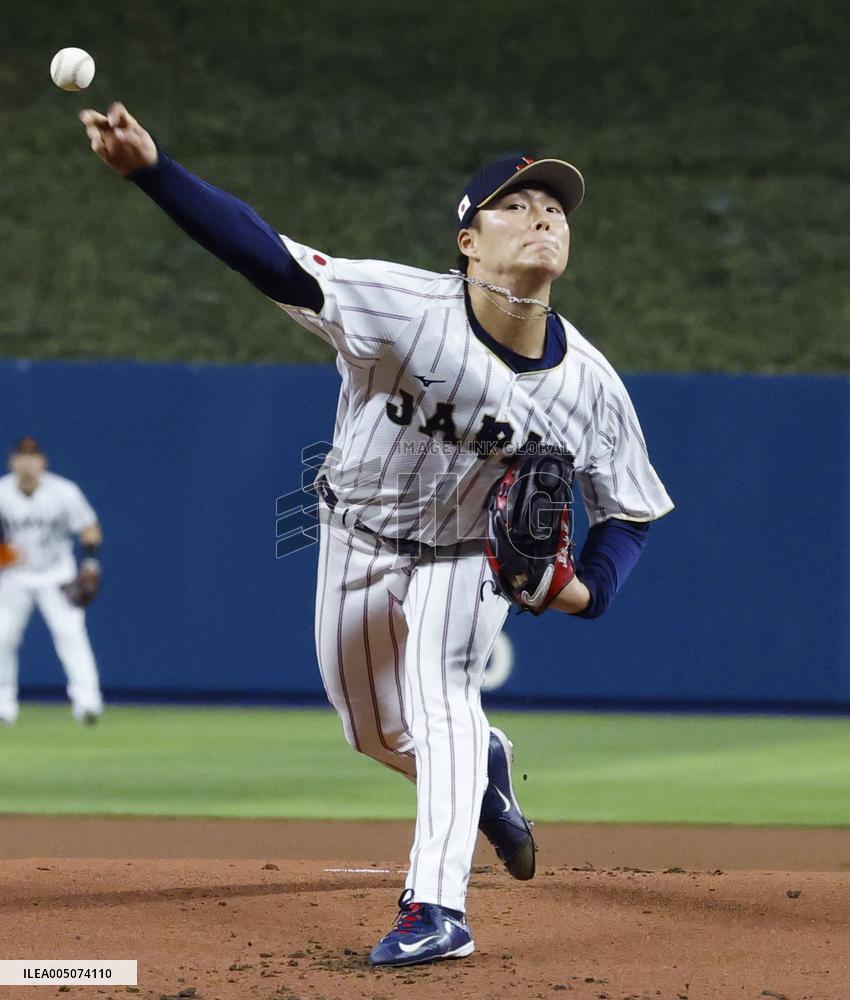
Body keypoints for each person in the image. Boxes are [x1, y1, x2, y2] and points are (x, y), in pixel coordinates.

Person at [79, 103, 674, 967]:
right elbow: (267, 255)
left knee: (443, 702)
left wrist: (583, 591)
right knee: (371, 732)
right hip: (353, 536)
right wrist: (153, 171)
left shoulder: (590, 385)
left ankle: (437, 908)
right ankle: (485, 779)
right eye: (515, 204)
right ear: (467, 240)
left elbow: (631, 510)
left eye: (555, 208)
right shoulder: (402, 306)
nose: (543, 215)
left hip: (467, 560)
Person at [0, 437, 105, 725]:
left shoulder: (63, 492)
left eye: (32, 456)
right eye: (22, 456)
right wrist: (3, 554)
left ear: (42, 461)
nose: (27, 462)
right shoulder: (2, 492)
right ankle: (3, 704)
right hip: (15, 576)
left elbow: (89, 528)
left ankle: (87, 703)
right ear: (12, 462)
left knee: (71, 634)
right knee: (2, 637)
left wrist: (91, 564)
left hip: (57, 573)